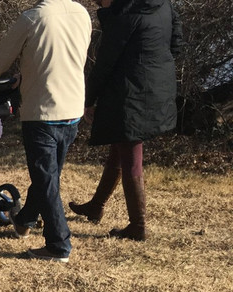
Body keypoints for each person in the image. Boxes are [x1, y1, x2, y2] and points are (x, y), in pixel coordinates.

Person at [0, 0, 92, 262]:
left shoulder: (33, 18)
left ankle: (58, 244)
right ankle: (26, 219)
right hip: (72, 108)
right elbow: (66, 59)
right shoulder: (82, 14)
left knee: (46, 180)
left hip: (42, 112)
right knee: (49, 177)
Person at [68, 0, 180, 241]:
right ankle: (96, 206)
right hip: (157, 85)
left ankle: (138, 225)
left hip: (132, 91)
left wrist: (88, 99)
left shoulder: (125, 16)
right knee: (120, 143)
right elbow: (176, 43)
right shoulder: (163, 5)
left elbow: (105, 63)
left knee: (130, 152)